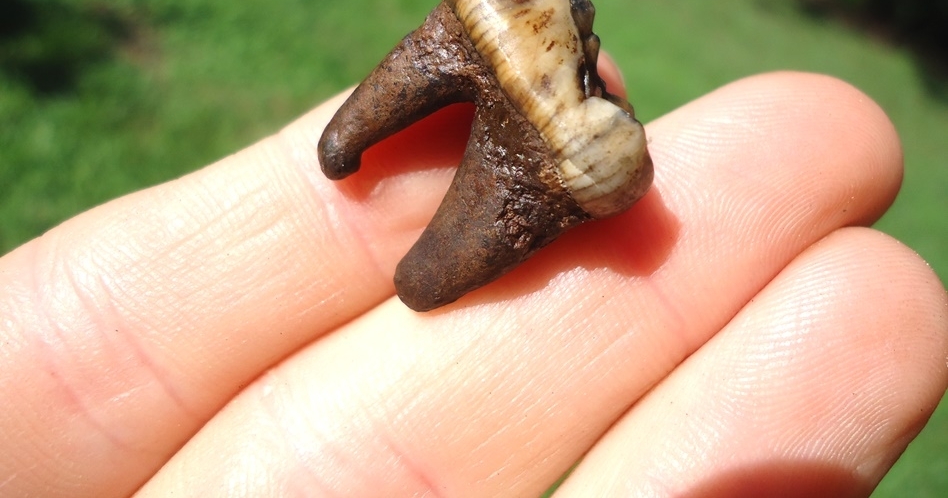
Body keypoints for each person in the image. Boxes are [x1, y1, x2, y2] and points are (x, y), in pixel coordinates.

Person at [1, 69, 945, 497]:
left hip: (555, 135)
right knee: (399, 230)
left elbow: (427, 270)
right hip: (539, 106)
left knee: (422, 267)